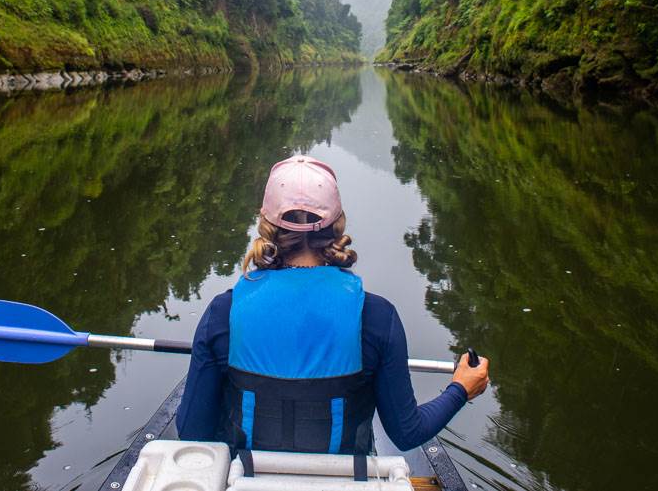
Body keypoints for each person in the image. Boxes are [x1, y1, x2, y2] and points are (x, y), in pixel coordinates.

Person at [176, 155, 490, 455]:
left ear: (266, 225)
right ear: (337, 225)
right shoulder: (378, 317)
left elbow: (192, 430)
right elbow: (408, 433)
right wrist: (460, 388)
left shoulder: (222, 314)